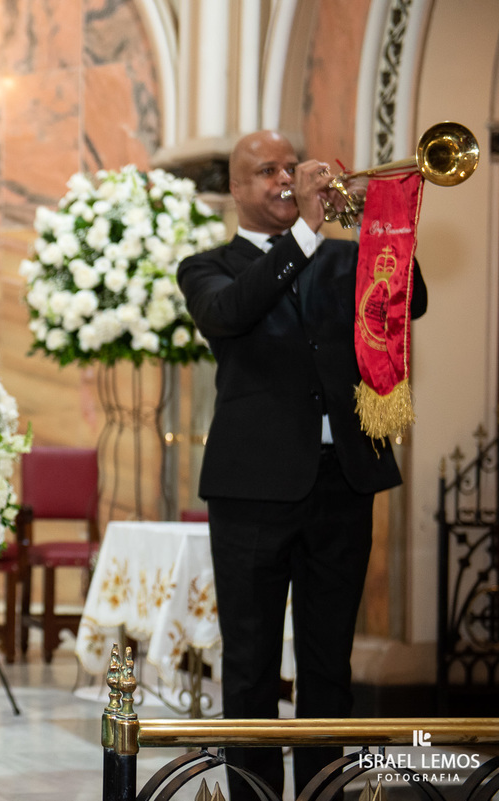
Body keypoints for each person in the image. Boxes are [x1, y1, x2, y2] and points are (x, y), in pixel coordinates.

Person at [177, 131, 427, 800]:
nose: (285, 179)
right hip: (251, 491)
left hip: (343, 480)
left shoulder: (345, 259)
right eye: (267, 171)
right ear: (236, 188)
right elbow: (235, 311)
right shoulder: (208, 267)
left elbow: (412, 299)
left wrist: (383, 221)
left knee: (328, 661)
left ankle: (324, 790)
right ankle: (255, 794)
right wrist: (310, 232)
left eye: (292, 167)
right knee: (252, 663)